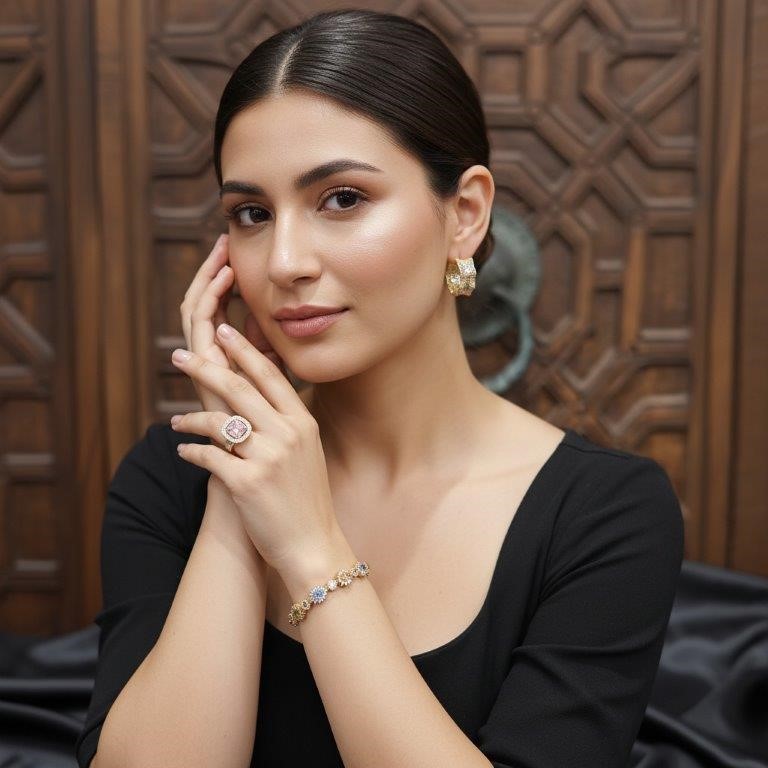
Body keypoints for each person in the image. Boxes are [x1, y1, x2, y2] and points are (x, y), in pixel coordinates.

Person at [75, 9, 684, 768]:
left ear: (464, 215)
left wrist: (309, 546)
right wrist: (239, 484)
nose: (285, 261)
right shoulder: (171, 479)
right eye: (252, 214)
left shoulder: (606, 513)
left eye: (342, 199)